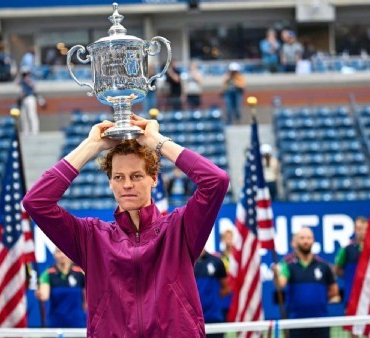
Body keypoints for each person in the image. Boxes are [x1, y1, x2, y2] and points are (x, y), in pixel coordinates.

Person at [22, 114, 230, 336]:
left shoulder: (179, 229)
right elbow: (36, 202)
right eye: (118, 177)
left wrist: (156, 141)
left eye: (137, 176)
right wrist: (92, 146)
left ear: (154, 178)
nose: (127, 185)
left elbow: (216, 181)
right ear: (110, 182)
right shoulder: (91, 237)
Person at [274, 227, 340, 338]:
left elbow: (334, 292)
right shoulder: (287, 264)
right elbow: (280, 284)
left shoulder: (323, 266)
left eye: (308, 238)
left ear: (313, 240)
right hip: (295, 324)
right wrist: (276, 274)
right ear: (295, 242)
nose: (305, 241)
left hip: (321, 324)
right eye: (302, 238)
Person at [37, 248, 87, 328]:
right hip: (56, 323)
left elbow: (87, 300)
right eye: (58, 252)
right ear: (54, 255)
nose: (62, 255)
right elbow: (44, 295)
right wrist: (40, 294)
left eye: (64, 252)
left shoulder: (81, 272)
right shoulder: (48, 273)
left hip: (77, 322)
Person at [194, 250, 230, 338]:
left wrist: (213, 299)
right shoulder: (186, 262)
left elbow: (227, 288)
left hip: (214, 318)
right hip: (193, 319)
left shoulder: (217, 261)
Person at [335, 216, 368, 309]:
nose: (363, 232)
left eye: (366, 229)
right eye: (359, 229)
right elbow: (338, 269)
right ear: (354, 230)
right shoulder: (346, 249)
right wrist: (351, 277)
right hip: (352, 297)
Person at [19, 69, 40, 135]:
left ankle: (35, 130)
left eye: (26, 74)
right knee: (23, 116)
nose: (25, 76)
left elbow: (34, 86)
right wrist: (19, 76)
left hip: (30, 98)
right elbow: (16, 83)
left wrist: (28, 80)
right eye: (24, 74)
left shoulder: (31, 79)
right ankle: (26, 131)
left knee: (32, 114)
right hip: (23, 99)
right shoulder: (22, 80)